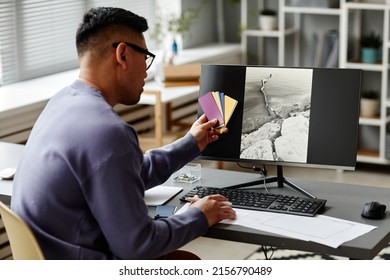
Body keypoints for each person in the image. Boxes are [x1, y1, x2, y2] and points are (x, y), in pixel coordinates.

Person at [11, 7, 236, 260]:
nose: (147, 71)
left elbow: (128, 173)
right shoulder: (107, 131)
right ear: (123, 54)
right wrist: (199, 216)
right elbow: (137, 246)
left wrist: (190, 143)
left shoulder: (61, 102)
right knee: (187, 261)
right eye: (146, 57)